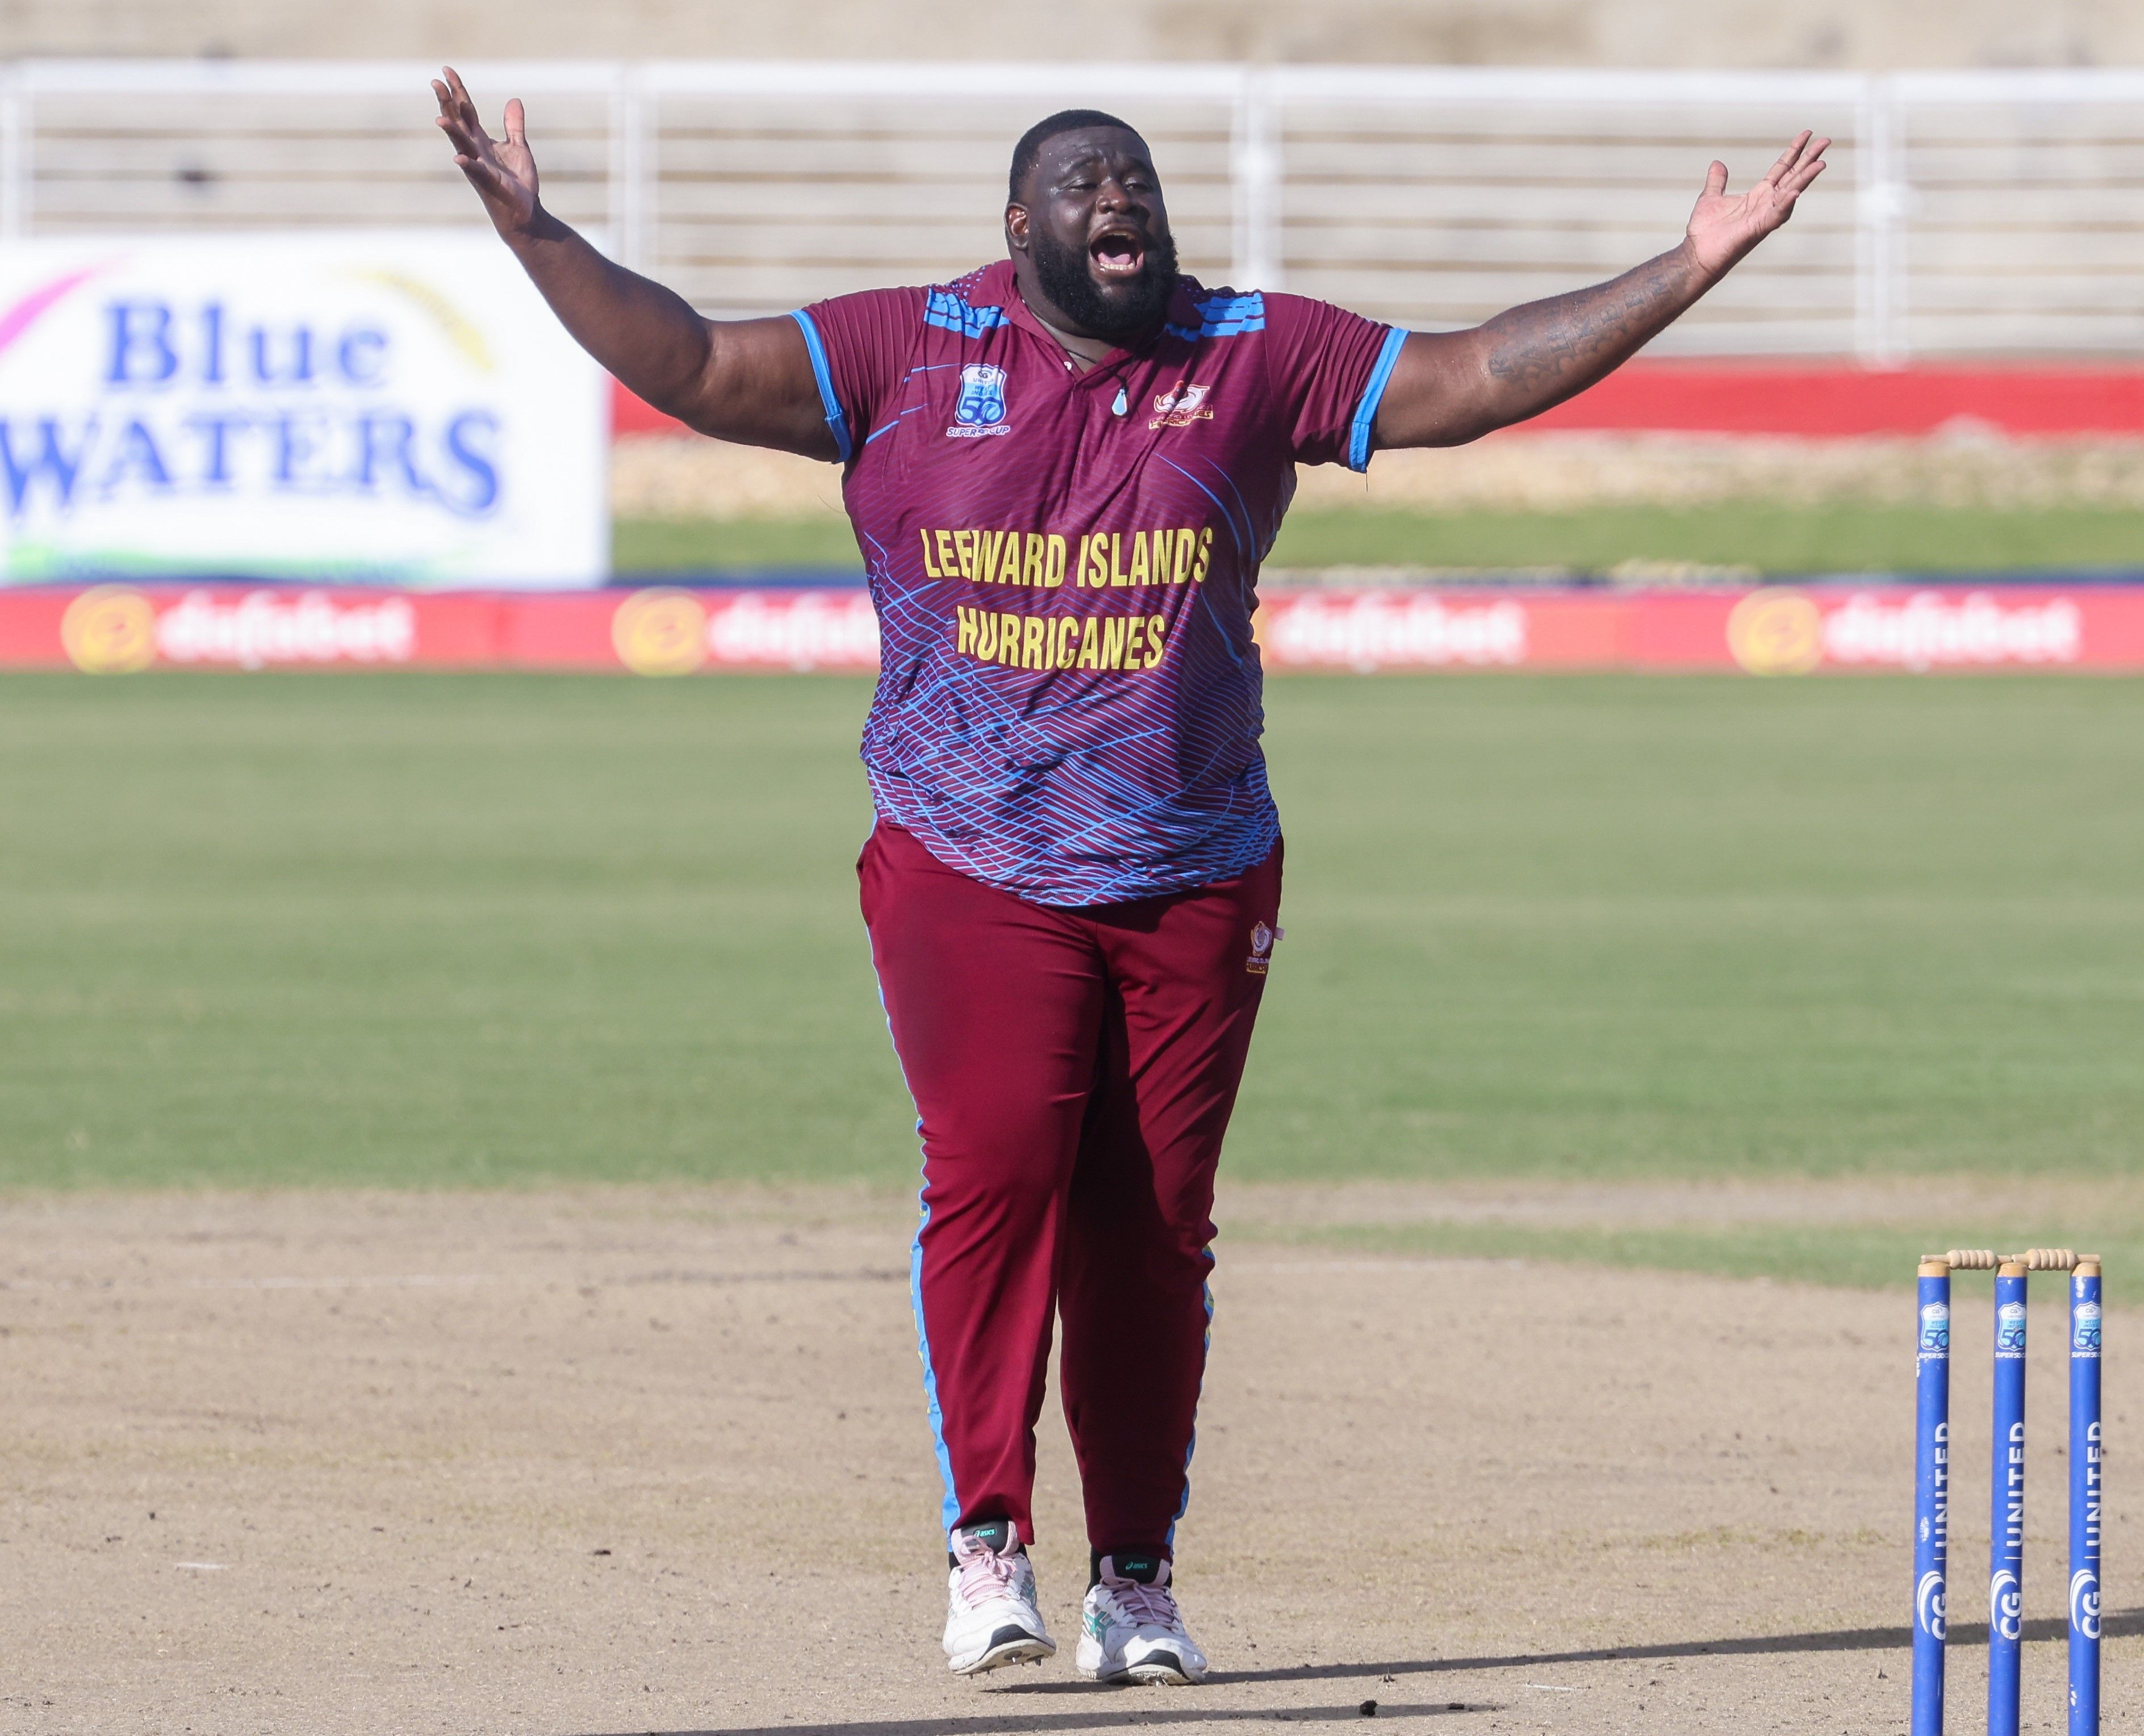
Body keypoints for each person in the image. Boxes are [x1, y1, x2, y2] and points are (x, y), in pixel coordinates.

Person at [434, 67, 1825, 1687]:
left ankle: (1139, 1577)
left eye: (1142, 184)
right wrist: (537, 233)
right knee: (1001, 1172)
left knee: (1153, 1225)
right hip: (969, 857)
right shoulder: (908, 348)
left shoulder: (1252, 351)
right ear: (1018, 224)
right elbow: (688, 358)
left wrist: (1687, 264)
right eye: (1088, 184)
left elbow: (1468, 379)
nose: (1123, 203)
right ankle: (986, 1544)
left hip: (1194, 864)